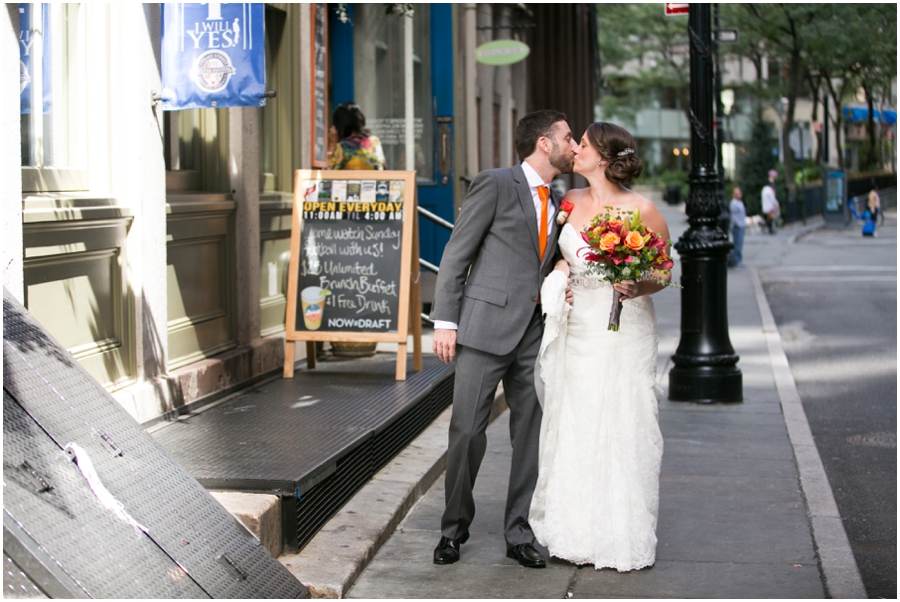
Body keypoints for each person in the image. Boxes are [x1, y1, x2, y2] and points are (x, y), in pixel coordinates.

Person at [429, 110, 577, 568]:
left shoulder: (560, 198)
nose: (575, 145)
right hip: (484, 326)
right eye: (568, 138)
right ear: (544, 144)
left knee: (529, 434)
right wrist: (445, 322)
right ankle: (453, 531)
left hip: (534, 331)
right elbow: (457, 252)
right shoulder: (495, 183)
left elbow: (546, 257)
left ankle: (519, 532)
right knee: (467, 431)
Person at [529, 122, 668, 572]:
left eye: (583, 144)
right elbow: (553, 259)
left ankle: (620, 535)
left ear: (605, 158)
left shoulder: (642, 210)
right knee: (577, 420)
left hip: (627, 332)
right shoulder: (568, 202)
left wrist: (637, 286)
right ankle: (575, 530)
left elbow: (663, 274)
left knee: (626, 418)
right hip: (580, 328)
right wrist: (560, 279)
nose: (576, 149)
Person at [327, 102, 385, 171]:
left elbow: (329, 172)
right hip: (375, 181)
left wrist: (332, 144)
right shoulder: (374, 141)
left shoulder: (343, 146)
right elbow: (382, 167)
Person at [729, 187, 747, 267]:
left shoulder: (739, 202)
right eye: (737, 193)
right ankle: (737, 260)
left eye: (739, 193)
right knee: (737, 243)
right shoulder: (734, 203)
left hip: (741, 225)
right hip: (737, 226)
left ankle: (738, 259)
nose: (739, 195)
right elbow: (733, 217)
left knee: (739, 243)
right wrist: (737, 225)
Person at [761, 170, 780, 234]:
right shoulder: (769, 190)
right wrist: (776, 205)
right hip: (769, 206)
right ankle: (770, 229)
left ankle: (767, 227)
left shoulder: (764, 189)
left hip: (766, 206)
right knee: (771, 218)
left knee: (769, 219)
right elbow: (772, 198)